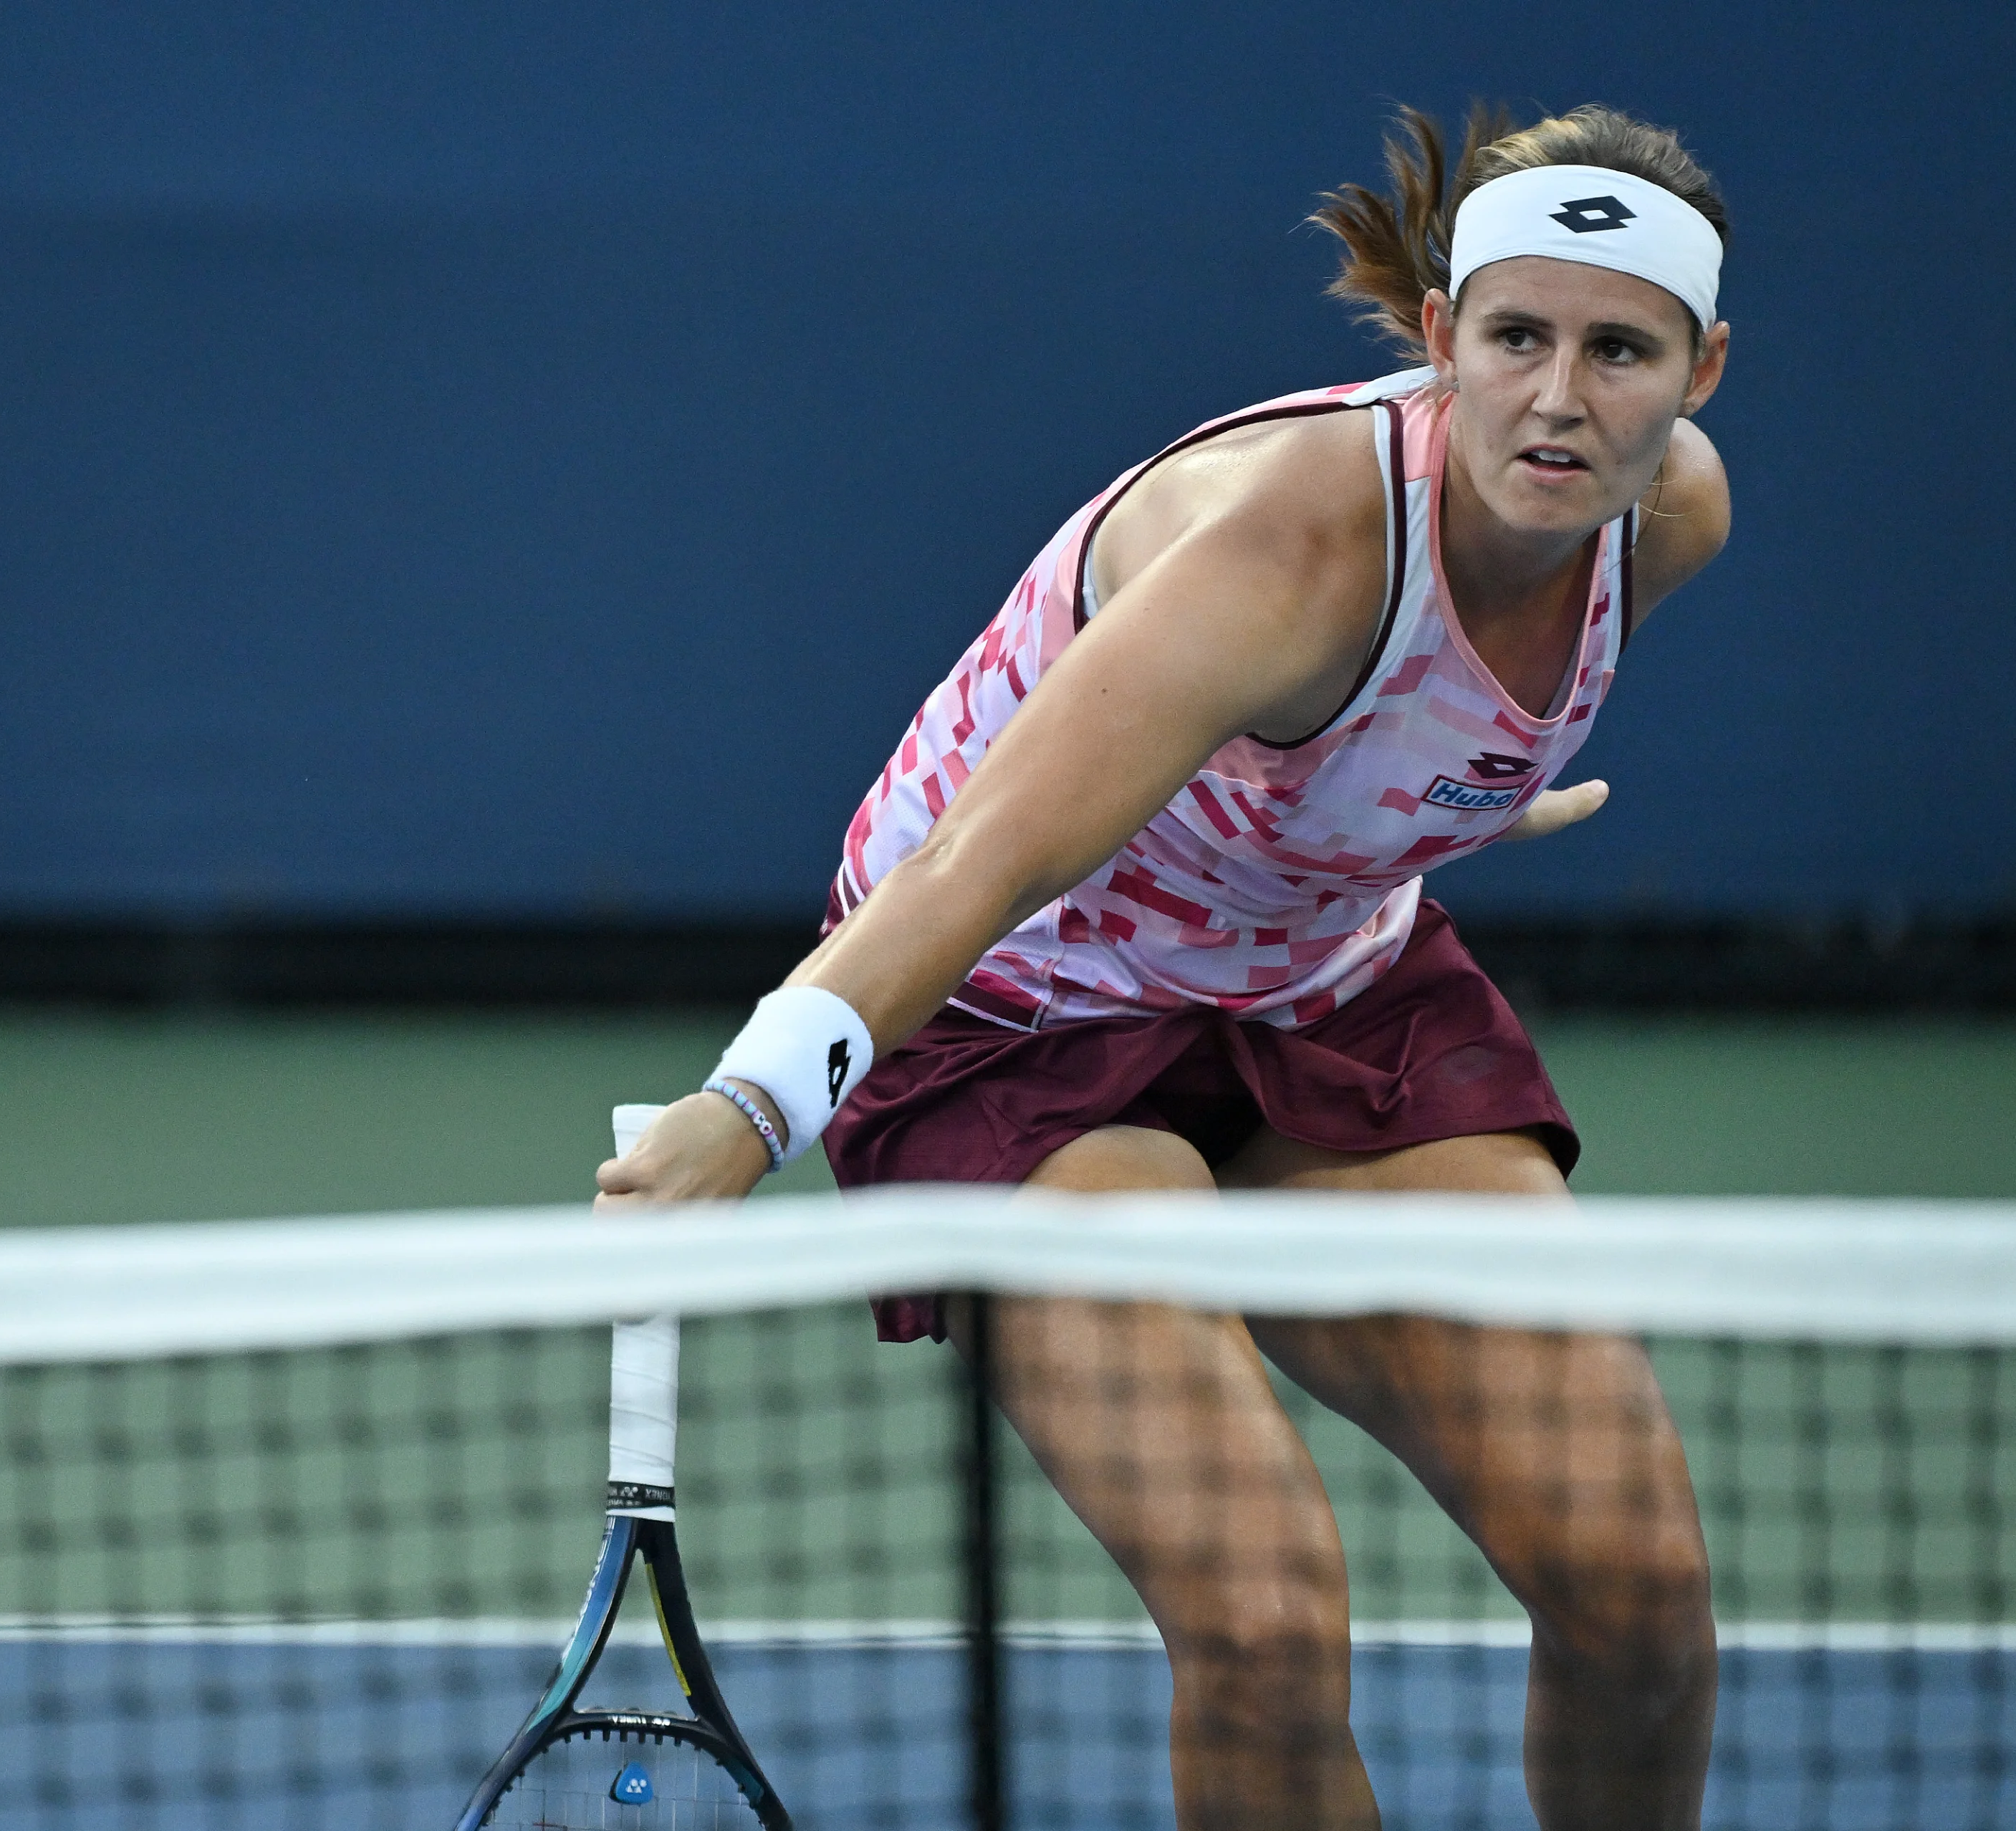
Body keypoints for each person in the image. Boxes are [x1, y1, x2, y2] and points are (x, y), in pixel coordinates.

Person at [600, 103, 1732, 1830]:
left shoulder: (1667, 524)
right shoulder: (1291, 542)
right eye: (1516, 338)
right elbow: (991, 861)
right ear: (1441, 340)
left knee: (1643, 1595)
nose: (1562, 399)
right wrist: (748, 1111)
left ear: (1699, 371)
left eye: (1619, 350)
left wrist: (1434, 806)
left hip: (1322, 993)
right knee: (1268, 1625)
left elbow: (1394, 727)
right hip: (1018, 1018)